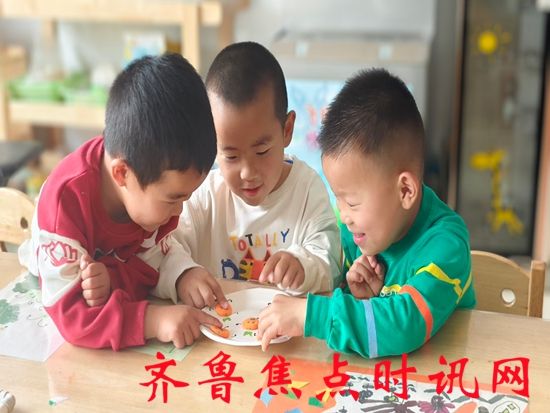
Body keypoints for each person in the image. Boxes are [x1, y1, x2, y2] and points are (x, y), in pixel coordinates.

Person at [258, 68, 476, 357]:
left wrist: (310, 315)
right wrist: (358, 296)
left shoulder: (446, 245)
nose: (343, 216)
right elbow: (354, 316)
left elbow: (404, 325)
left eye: (352, 203)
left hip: (450, 376)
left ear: (405, 191)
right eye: (338, 199)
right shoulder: (359, 235)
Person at [18, 53, 224, 350]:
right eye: (173, 199)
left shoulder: (144, 187)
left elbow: (153, 257)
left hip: (106, 273)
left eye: (186, 197)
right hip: (52, 277)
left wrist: (182, 274)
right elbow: (74, 317)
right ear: (122, 174)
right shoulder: (65, 205)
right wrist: (154, 320)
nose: (179, 212)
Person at [172, 41, 341, 308]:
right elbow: (166, 245)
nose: (248, 173)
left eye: (262, 151)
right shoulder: (206, 197)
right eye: (231, 156)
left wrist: (303, 265)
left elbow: (331, 259)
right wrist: (183, 274)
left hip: (285, 328)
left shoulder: (307, 189)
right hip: (219, 327)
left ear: (287, 130)